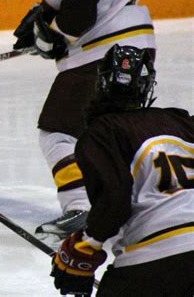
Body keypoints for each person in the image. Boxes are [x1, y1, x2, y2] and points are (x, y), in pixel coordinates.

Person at [12, 0, 157, 245]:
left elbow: (81, 12)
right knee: (107, 136)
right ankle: (124, 208)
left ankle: (81, 206)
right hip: (134, 45)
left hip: (102, 51)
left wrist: (53, 34)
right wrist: (44, 19)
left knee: (59, 135)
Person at [50, 44, 194, 297]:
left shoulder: (101, 132)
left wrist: (88, 244)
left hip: (156, 254)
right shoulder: (181, 121)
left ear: (103, 82)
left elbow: (115, 198)